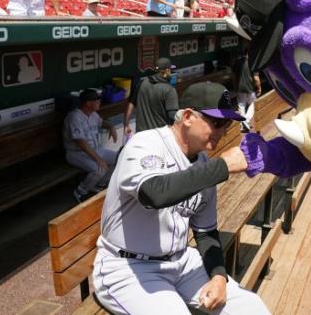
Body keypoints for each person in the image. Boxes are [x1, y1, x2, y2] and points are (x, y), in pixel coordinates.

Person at [93, 82, 270, 315]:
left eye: (227, 124)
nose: (223, 131)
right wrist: (223, 166)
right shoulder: (146, 144)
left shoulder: (204, 164)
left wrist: (218, 276)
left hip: (182, 261)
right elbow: (153, 193)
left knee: (252, 309)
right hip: (128, 267)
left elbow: (206, 232)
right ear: (187, 116)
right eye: (217, 123)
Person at [63, 89, 118, 203]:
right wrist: (98, 159)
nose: (99, 102)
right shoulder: (74, 117)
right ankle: (80, 192)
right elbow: (81, 142)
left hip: (96, 149)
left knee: (119, 158)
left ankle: (98, 184)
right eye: (97, 100)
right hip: (76, 153)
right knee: (99, 169)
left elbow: (102, 123)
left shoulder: (92, 114)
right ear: (88, 103)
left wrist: (111, 127)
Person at [124, 57, 178, 136]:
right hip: (160, 137)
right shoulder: (169, 90)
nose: (171, 73)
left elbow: (130, 104)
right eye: (170, 70)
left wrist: (126, 125)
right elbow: (172, 116)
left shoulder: (141, 83)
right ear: (166, 71)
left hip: (141, 135)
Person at [234, 48, 261, 132]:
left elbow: (233, 76)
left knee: (241, 107)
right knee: (252, 105)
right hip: (251, 89)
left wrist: (235, 86)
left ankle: (243, 124)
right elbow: (256, 78)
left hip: (240, 89)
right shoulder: (253, 63)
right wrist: (259, 88)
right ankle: (246, 121)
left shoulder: (237, 62)